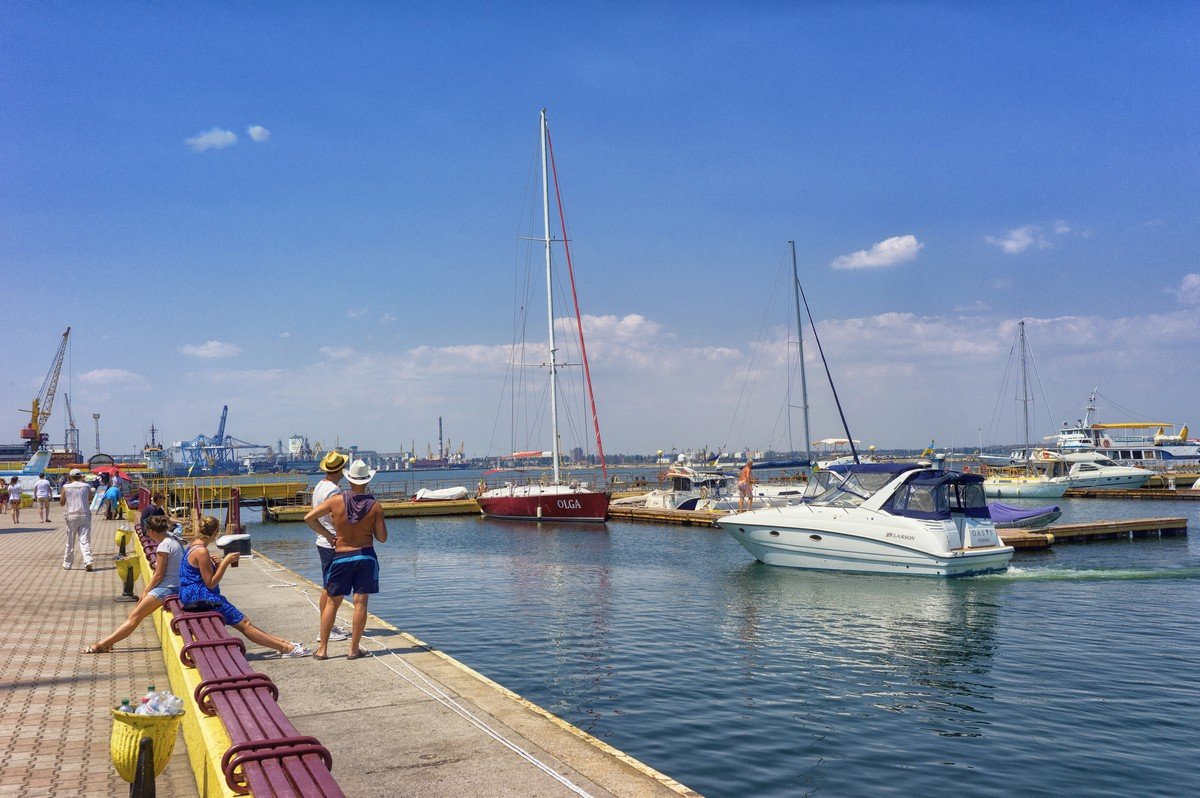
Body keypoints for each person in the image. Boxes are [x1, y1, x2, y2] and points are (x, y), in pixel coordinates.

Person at [180, 515, 310, 658]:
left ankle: (283, 642)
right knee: (244, 623)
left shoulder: (193, 546)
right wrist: (225, 562)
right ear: (216, 532)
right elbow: (210, 583)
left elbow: (200, 576)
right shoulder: (202, 551)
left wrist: (216, 565)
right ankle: (286, 648)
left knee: (245, 621)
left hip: (192, 594)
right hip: (201, 598)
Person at [304, 459, 386, 660]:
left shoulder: (335, 501)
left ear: (349, 480)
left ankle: (322, 649)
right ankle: (353, 650)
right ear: (367, 480)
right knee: (360, 602)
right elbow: (382, 538)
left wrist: (328, 535)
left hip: (341, 556)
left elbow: (309, 518)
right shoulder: (375, 506)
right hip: (365, 556)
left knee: (333, 601)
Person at [83, 516, 183, 653]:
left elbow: (159, 574)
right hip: (176, 585)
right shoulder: (173, 539)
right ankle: (107, 642)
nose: (148, 535)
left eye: (147, 532)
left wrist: (146, 591)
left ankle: (102, 644)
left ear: (151, 531)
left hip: (167, 588)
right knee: (135, 616)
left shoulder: (164, 546)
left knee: (134, 617)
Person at [311, 451, 353, 642]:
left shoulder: (320, 486)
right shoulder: (334, 492)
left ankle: (327, 626)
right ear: (341, 470)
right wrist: (332, 535)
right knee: (336, 590)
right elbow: (339, 521)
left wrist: (324, 534)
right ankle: (325, 632)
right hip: (335, 543)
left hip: (323, 542)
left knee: (328, 587)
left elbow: (314, 517)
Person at [59, 469, 95, 570]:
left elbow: (61, 503)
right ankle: (88, 560)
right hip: (85, 515)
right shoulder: (87, 486)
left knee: (70, 540)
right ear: (80, 477)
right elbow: (90, 499)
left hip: (71, 516)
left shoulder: (65, 487)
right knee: (85, 540)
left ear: (70, 477)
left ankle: (67, 563)